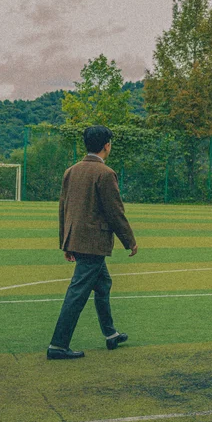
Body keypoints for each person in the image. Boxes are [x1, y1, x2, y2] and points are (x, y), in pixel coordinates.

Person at [47, 125, 138, 359]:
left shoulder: (71, 171)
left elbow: (63, 209)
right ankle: (58, 346)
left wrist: (66, 242)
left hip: (77, 239)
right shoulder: (105, 174)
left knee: (103, 284)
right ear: (107, 145)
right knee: (77, 293)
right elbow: (115, 212)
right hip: (94, 243)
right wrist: (130, 241)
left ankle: (110, 334)